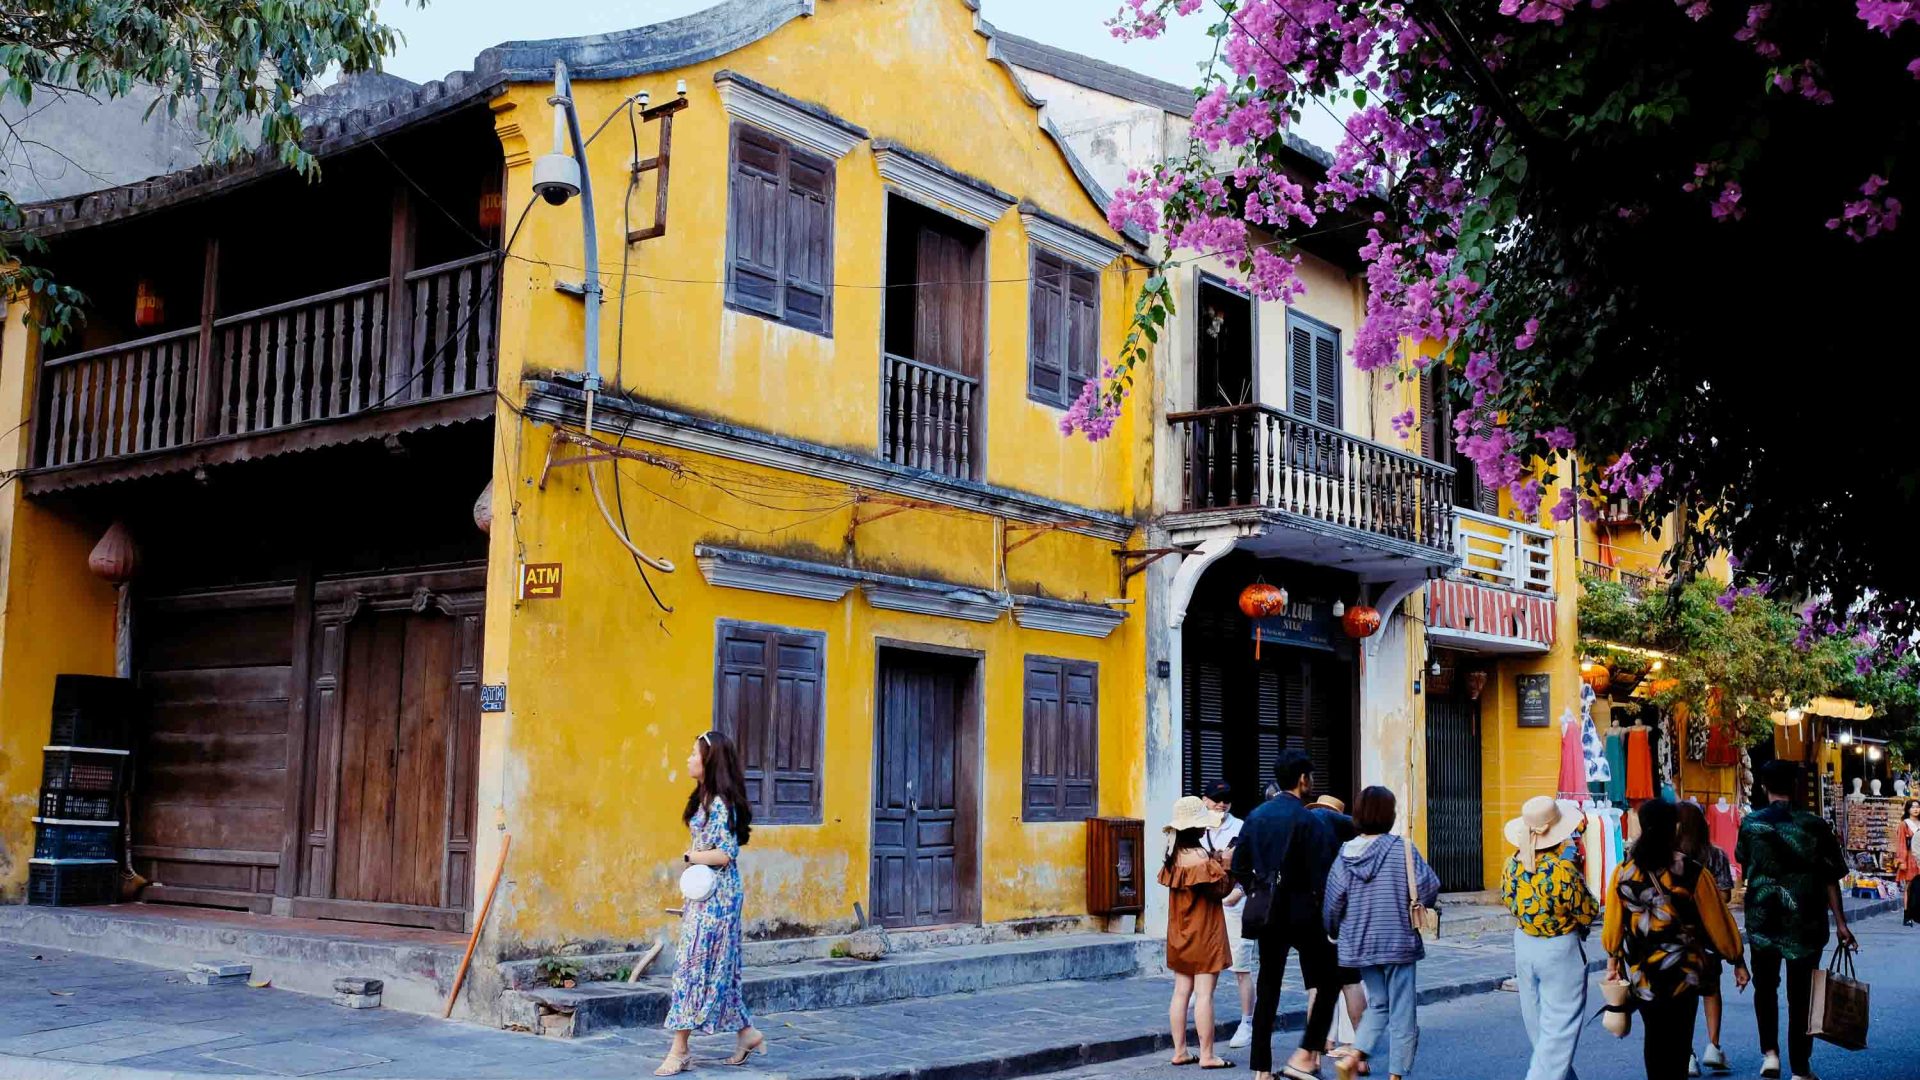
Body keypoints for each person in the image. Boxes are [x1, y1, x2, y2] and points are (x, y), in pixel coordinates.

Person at [1604, 799, 1749, 1080]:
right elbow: (1718, 921)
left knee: (1654, 1036)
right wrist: (1737, 959)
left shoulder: (1623, 871)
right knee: (1679, 1040)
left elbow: (1613, 926)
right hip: (1684, 971)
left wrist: (1613, 959)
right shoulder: (1693, 871)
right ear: (1674, 828)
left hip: (1641, 971)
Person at [1737, 760, 1855, 1080]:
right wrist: (1842, 923)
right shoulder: (1814, 825)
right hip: (1806, 920)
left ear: (1764, 786)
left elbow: (1744, 861)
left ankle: (1770, 1055)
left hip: (1762, 919)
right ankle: (1801, 1069)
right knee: (1801, 994)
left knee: (1765, 988)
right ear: (1796, 787)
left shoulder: (1750, 824)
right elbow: (1831, 877)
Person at [657, 731, 762, 1076]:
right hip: (706, 895)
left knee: (693, 966)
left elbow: (726, 854)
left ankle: (680, 1049)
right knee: (719, 969)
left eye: (693, 754)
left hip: (718, 898)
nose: (688, 759)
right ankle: (747, 1034)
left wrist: (691, 856)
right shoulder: (705, 797)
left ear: (709, 761)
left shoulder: (720, 803)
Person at [1233, 749, 1342, 1080]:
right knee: (1329, 980)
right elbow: (1324, 870)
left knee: (1268, 987)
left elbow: (1238, 865)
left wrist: (1259, 885)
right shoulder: (1311, 820)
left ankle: (1261, 1070)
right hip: (1304, 910)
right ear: (1302, 780)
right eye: (1310, 777)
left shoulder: (1255, 816)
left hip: (1268, 911)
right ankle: (1307, 1051)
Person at [1323, 787, 1441, 1080]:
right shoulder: (1402, 848)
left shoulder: (1345, 853)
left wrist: (1333, 931)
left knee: (1378, 1003)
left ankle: (1354, 1056)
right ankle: (1396, 1075)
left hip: (1360, 943)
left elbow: (1333, 900)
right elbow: (1429, 886)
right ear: (1389, 814)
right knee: (1402, 1011)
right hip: (1398, 940)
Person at [1500, 795, 1600, 1080]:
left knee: (1538, 1025)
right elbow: (1587, 911)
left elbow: (1508, 900)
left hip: (1525, 944)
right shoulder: (1562, 870)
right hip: (1560, 949)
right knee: (1558, 1029)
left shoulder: (1512, 865)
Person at [1160, 796, 1237, 1069]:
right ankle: (1207, 1054)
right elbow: (1220, 890)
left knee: (1181, 992)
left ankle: (1180, 1050)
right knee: (1204, 995)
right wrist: (1228, 865)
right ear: (1198, 829)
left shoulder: (1173, 856)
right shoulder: (1201, 858)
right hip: (1204, 933)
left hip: (1179, 933)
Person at [1676, 800, 1736, 1074]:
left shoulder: (1669, 858)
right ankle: (1713, 1045)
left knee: (1682, 995)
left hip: (1676, 937)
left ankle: (1686, 1053)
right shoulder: (1716, 855)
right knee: (1711, 989)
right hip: (1708, 934)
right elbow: (1725, 895)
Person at [1309, 795, 1369, 1068]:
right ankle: (1361, 1056)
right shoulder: (1351, 847)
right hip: (1347, 920)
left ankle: (1314, 1053)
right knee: (1351, 983)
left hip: (1318, 916)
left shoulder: (1310, 838)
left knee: (1316, 985)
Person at [1203, 781, 1258, 1049]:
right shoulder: (1196, 828)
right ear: (1205, 800)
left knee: (1241, 966)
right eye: (1216, 799)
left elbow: (1253, 865)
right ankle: (1200, 1003)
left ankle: (1247, 1022)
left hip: (1237, 906)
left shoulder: (1241, 827)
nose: (1221, 804)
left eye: (1225, 799)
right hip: (1208, 905)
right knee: (1206, 964)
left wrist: (1238, 891)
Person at [1899, 799, 1920, 927]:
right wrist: (1901, 860)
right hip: (1909, 858)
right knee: (1909, 886)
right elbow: (1901, 843)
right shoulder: (1904, 824)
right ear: (1908, 809)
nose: (1916, 809)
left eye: (1918, 807)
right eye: (1913, 807)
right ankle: (1907, 915)